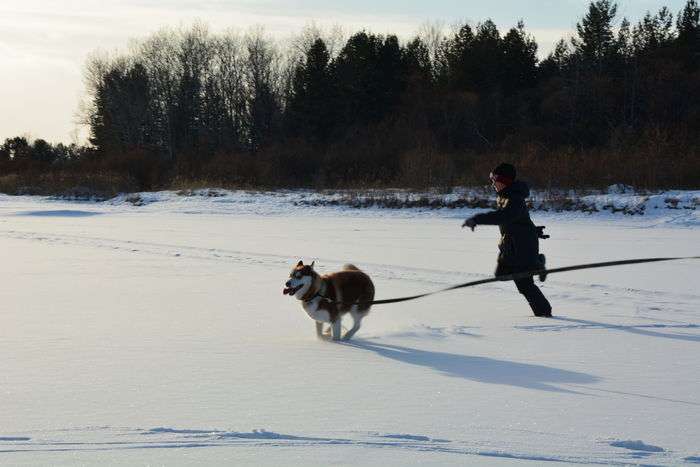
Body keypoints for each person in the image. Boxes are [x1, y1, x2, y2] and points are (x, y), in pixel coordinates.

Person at [462, 163, 552, 317]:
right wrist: (533, 230)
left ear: (504, 181)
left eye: (494, 180)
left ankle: (544, 313)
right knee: (502, 274)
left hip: (522, 247)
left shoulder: (513, 198)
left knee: (524, 284)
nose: (492, 183)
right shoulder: (505, 196)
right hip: (512, 244)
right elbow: (518, 220)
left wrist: (477, 219)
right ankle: (536, 263)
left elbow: (503, 217)